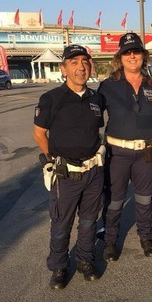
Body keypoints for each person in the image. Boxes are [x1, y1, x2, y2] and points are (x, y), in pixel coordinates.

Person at [33, 44, 105, 289]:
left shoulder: (96, 98)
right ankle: (59, 266)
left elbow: (97, 130)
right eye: (74, 63)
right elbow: (39, 133)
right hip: (66, 174)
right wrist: (53, 159)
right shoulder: (52, 98)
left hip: (93, 172)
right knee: (61, 224)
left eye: (84, 62)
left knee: (88, 221)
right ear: (64, 69)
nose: (80, 67)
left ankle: (85, 261)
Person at [98, 33, 152, 261]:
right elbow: (92, 118)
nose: (132, 56)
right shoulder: (108, 86)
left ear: (143, 56)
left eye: (136, 51)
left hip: (147, 152)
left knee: (145, 197)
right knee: (115, 199)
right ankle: (109, 240)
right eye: (127, 52)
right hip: (117, 154)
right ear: (120, 57)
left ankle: (146, 235)